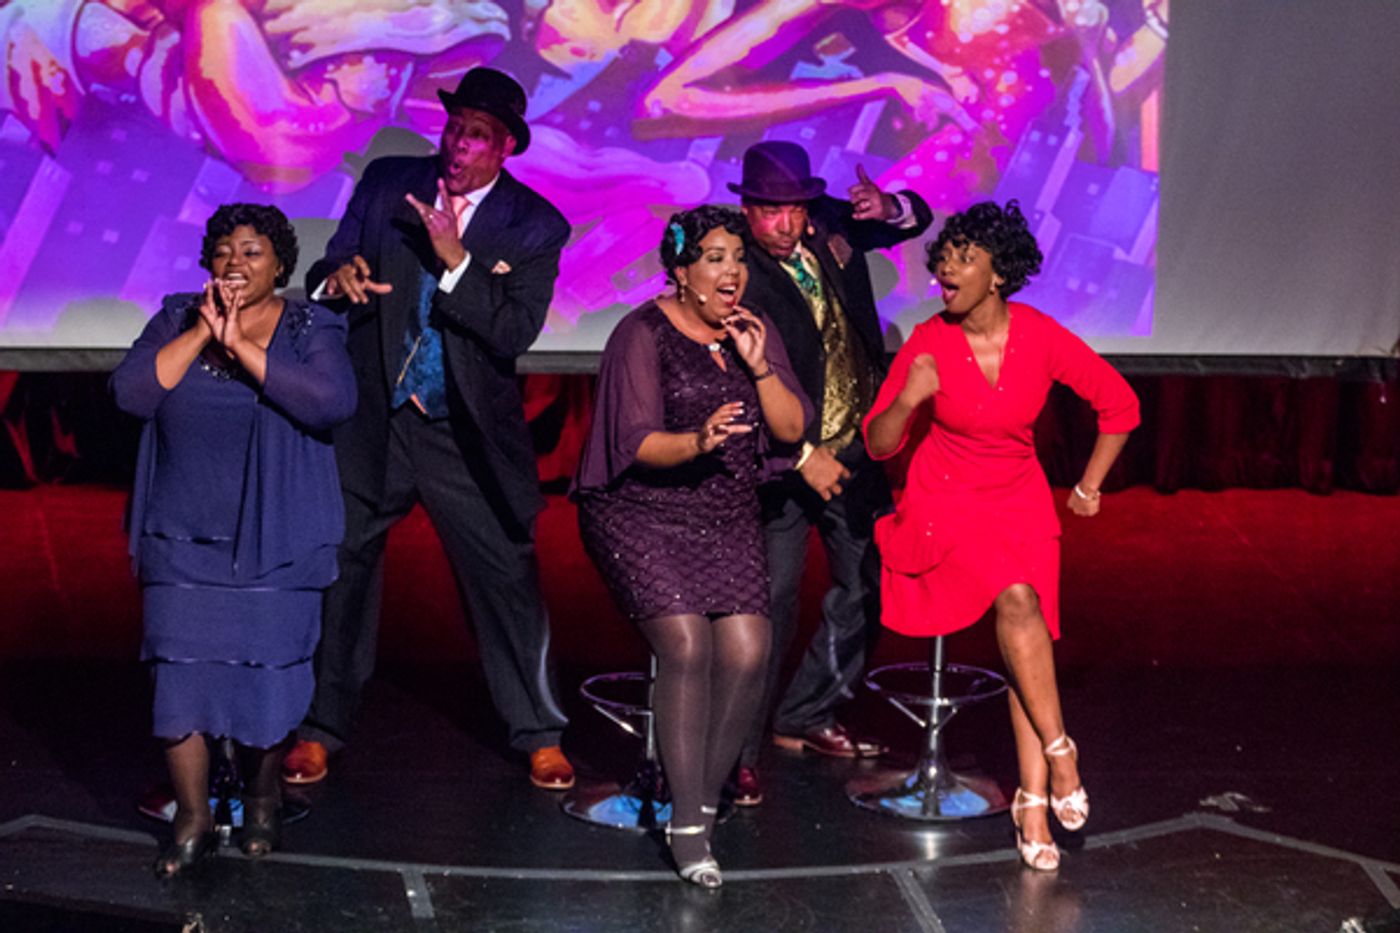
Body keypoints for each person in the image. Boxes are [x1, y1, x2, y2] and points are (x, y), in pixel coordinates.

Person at [284, 67, 574, 791]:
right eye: (454, 128)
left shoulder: (535, 224)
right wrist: (337, 278)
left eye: (477, 135)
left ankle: (539, 728)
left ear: (505, 147)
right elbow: (330, 260)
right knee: (342, 567)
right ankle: (320, 725)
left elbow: (511, 330)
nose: (458, 145)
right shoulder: (389, 183)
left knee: (506, 575)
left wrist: (456, 262)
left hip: (461, 430)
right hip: (376, 417)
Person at [863, 200, 1139, 871]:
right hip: (946, 500)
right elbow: (878, 443)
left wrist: (1088, 486)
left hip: (1018, 497)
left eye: (965, 258)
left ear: (999, 274)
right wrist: (907, 397)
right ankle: (1059, 754)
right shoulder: (928, 341)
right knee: (1020, 608)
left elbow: (1120, 403)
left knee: (1025, 634)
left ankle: (1033, 803)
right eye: (944, 257)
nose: (947, 270)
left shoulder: (1039, 335)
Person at [110, 203, 356, 876]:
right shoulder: (173, 316)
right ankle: (191, 816)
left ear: (281, 264)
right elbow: (131, 393)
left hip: (279, 538)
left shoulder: (312, 324)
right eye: (223, 251)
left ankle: (261, 795)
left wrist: (242, 345)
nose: (235, 263)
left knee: (267, 675)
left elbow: (330, 401)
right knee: (180, 678)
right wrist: (201, 332)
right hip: (182, 533)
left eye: (252, 251)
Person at [572, 205, 808, 887]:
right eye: (713, 256)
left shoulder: (750, 332)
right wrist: (700, 440)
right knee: (686, 645)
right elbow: (636, 443)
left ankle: (701, 798)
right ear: (680, 271)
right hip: (640, 508)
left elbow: (790, 427)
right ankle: (687, 827)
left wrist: (761, 368)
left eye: (737, 256)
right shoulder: (640, 333)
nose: (731, 270)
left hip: (724, 510)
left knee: (747, 649)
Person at [730, 140, 932, 806]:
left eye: (791, 209)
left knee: (870, 583)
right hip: (781, 464)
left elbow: (917, 218)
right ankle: (735, 746)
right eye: (768, 211)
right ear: (747, 208)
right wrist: (797, 454)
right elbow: (730, 382)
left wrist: (892, 204)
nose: (783, 225)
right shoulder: (732, 267)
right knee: (770, 603)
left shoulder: (832, 222)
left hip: (853, 451)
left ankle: (805, 711)